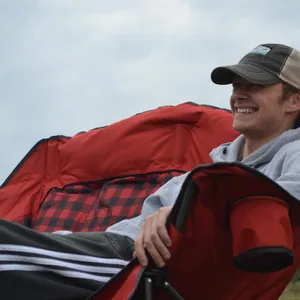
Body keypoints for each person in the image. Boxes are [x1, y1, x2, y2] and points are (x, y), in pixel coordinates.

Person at [0, 43, 300, 300]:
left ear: (294, 100)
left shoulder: (292, 155)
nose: (240, 95)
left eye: (256, 85)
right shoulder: (208, 170)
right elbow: (138, 225)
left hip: (143, 268)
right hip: (120, 253)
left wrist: (188, 214)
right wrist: (58, 240)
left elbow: (286, 199)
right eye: (236, 86)